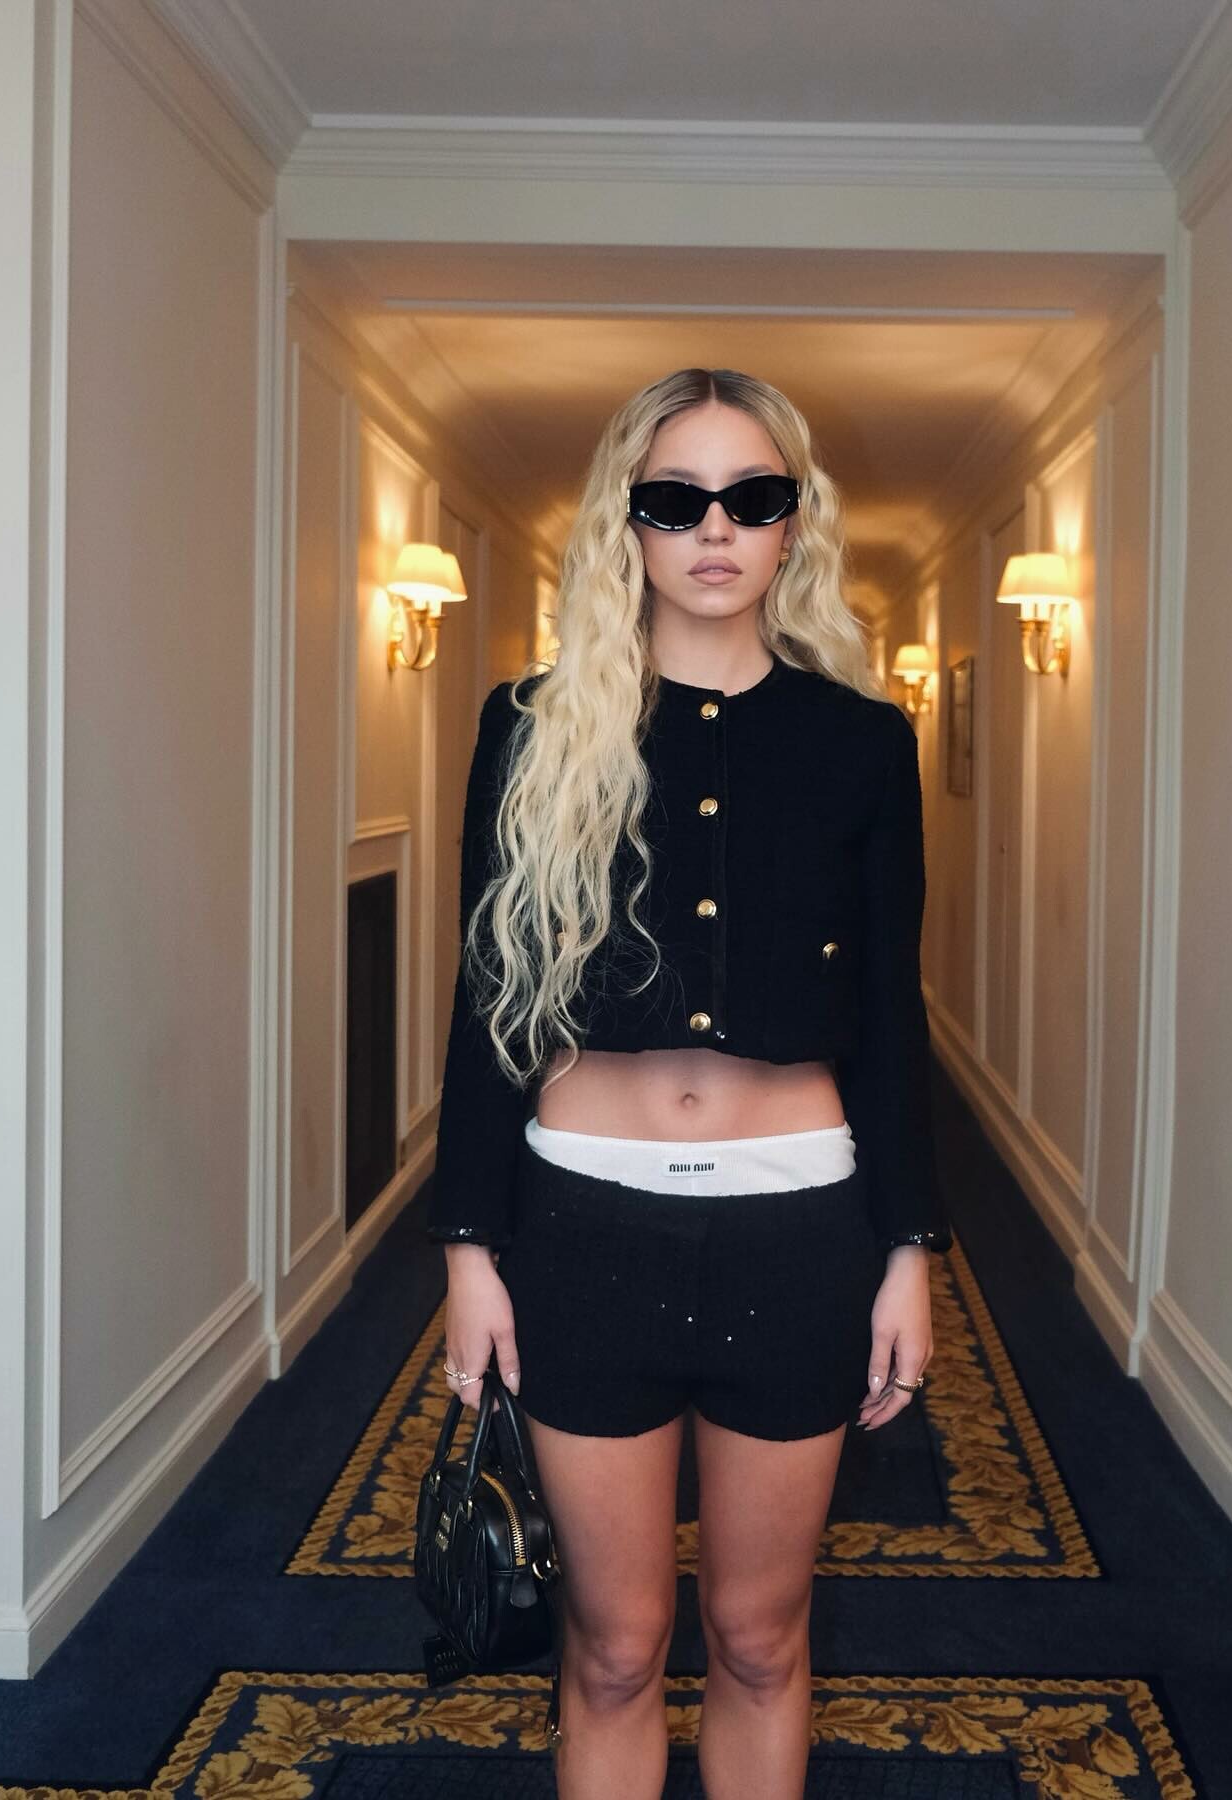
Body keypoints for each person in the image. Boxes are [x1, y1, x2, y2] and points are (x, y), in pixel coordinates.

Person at [427, 365, 951, 1798]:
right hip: (583, 1232)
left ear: (794, 523)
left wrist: (909, 1251)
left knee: (760, 1639)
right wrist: (469, 1248)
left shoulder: (863, 744)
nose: (715, 529)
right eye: (676, 499)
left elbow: (889, 1015)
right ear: (629, 522)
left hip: (799, 1232)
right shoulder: (532, 727)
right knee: (611, 1647)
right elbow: (489, 1004)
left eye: (751, 497)